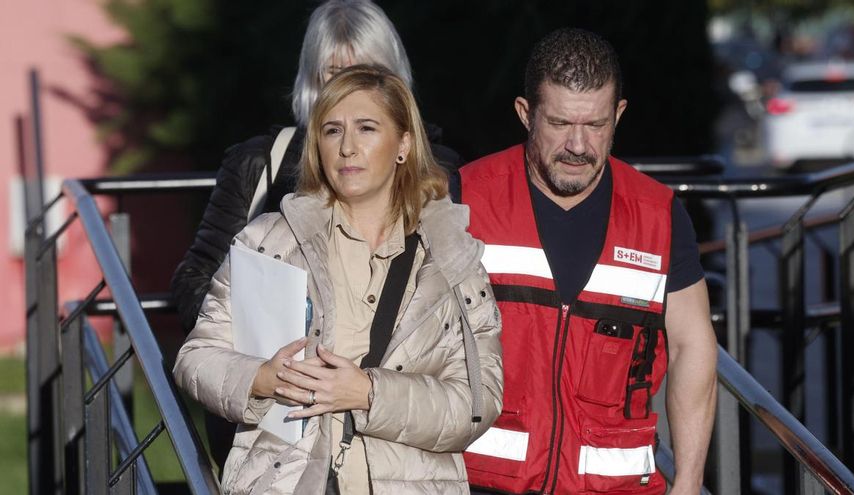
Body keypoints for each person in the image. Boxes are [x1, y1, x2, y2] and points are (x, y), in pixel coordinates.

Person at [173, 65, 503, 494]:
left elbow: (477, 404)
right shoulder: (269, 240)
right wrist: (261, 379)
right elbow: (196, 356)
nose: (347, 147)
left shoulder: (452, 257)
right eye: (332, 131)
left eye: (366, 128)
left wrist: (368, 393)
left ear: (403, 144)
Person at [454, 29, 717, 494]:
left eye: (596, 126)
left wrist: (690, 481)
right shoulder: (465, 200)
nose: (578, 145)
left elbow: (692, 346)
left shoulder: (659, 215)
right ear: (525, 114)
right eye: (559, 124)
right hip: (479, 484)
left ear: (618, 115)